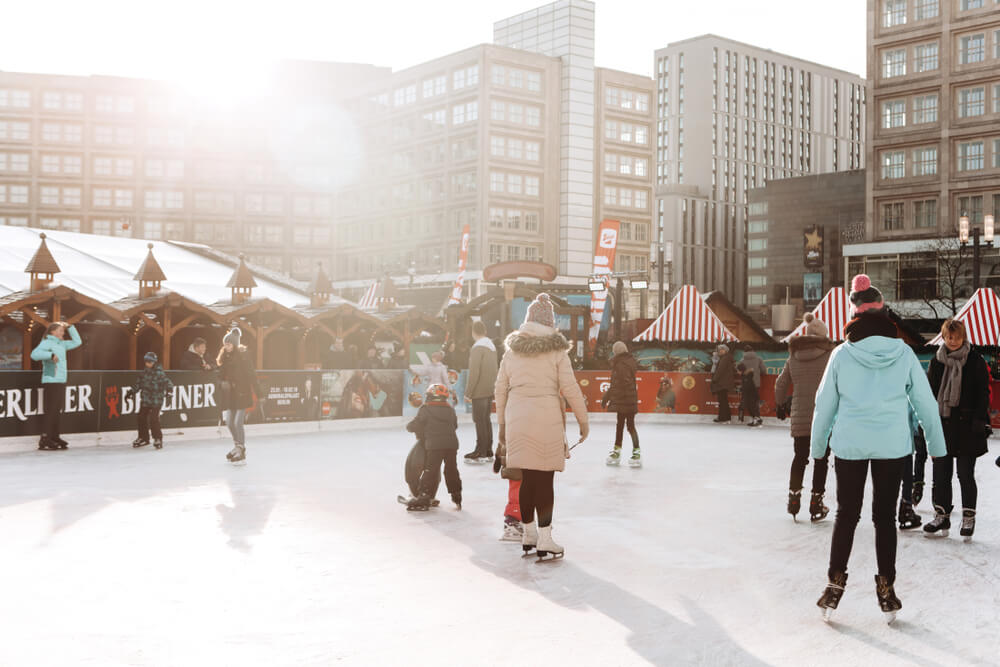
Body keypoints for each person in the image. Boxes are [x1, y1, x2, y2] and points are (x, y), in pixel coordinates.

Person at [812, 274, 946, 622]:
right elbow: (926, 404)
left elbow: (823, 404)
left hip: (851, 445)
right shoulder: (902, 353)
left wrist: (817, 449)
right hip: (891, 445)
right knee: (884, 518)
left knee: (847, 515)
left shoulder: (842, 354)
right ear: (884, 313)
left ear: (854, 313)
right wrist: (937, 447)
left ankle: (834, 586)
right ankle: (886, 590)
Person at [494, 293, 589, 560]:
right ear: (550, 323)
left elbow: (500, 389)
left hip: (517, 417)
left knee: (526, 479)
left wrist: (502, 424)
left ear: (528, 321)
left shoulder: (512, 352)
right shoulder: (557, 351)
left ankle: (528, 534)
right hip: (545, 417)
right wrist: (583, 421)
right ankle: (545, 539)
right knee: (545, 479)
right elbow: (570, 387)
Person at [924, 319, 990, 541]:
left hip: (967, 427)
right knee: (941, 474)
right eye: (949, 337)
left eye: (957, 337)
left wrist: (980, 420)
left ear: (963, 337)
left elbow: (983, 392)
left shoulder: (975, 361)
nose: (953, 341)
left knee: (964, 474)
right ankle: (941, 515)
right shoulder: (937, 362)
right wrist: (928, 424)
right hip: (943, 426)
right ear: (943, 337)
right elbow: (929, 394)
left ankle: (968, 517)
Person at [775, 313, 836, 521]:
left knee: (800, 457)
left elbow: (781, 383)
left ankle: (793, 498)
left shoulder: (794, 356)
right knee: (821, 459)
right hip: (824, 416)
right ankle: (816, 502)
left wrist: (780, 403)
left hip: (800, 416)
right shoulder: (831, 356)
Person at [405, 383, 462, 511]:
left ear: (430, 395)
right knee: (451, 469)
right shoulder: (450, 409)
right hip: (451, 444)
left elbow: (416, 424)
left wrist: (410, 427)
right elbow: (455, 425)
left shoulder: (426, 408)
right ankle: (456, 495)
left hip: (435, 445)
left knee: (431, 470)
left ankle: (424, 497)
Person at [30, 321, 82, 450]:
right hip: (51, 380)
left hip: (60, 379)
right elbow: (34, 354)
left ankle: (54, 436)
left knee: (56, 411)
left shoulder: (62, 344)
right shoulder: (47, 342)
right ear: (52, 332)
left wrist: (70, 327)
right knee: (51, 411)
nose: (62, 332)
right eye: (60, 330)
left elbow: (77, 342)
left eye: (63, 330)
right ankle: (45, 438)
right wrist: (50, 355)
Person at [216, 327, 260, 463]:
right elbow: (219, 375)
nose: (226, 346)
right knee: (229, 422)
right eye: (225, 344)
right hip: (231, 395)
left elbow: (251, 375)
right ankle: (237, 446)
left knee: (237, 422)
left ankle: (241, 448)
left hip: (242, 393)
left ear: (234, 344)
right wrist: (222, 382)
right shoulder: (225, 357)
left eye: (228, 344)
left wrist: (260, 394)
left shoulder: (243, 356)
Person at [464, 320, 498, 462]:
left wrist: (468, 392)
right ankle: (488, 450)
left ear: (473, 332)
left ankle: (481, 451)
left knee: (479, 421)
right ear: (485, 331)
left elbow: (474, 372)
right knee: (485, 420)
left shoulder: (477, 348)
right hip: (489, 389)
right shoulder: (491, 346)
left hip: (479, 390)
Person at [602, 340, 640, 466]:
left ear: (616, 352)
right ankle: (634, 452)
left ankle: (623, 452)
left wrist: (607, 398)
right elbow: (617, 384)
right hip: (629, 400)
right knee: (629, 426)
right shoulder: (628, 362)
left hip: (625, 400)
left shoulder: (621, 364)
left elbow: (620, 384)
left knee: (623, 426)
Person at [131, 351, 174, 449]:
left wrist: (169, 391)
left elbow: (168, 383)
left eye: (150, 362)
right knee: (141, 417)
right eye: (146, 361)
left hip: (156, 400)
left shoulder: (159, 373)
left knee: (154, 419)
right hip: (146, 400)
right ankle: (143, 438)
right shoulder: (144, 373)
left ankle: (158, 438)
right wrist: (132, 392)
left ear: (154, 362)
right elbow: (138, 384)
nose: (148, 363)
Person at [741, 344, 766, 427]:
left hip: (746, 384)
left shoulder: (742, 360)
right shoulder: (758, 359)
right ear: (753, 350)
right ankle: (757, 418)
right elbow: (763, 371)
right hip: (755, 383)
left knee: (748, 402)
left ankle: (754, 419)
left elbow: (740, 371)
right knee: (754, 402)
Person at [710, 344, 736, 423]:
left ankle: (724, 417)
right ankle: (725, 417)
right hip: (724, 382)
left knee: (722, 401)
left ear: (726, 350)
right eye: (719, 350)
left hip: (722, 383)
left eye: (722, 350)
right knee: (723, 400)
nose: (720, 351)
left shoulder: (725, 358)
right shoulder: (725, 358)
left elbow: (720, 371)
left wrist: (714, 379)